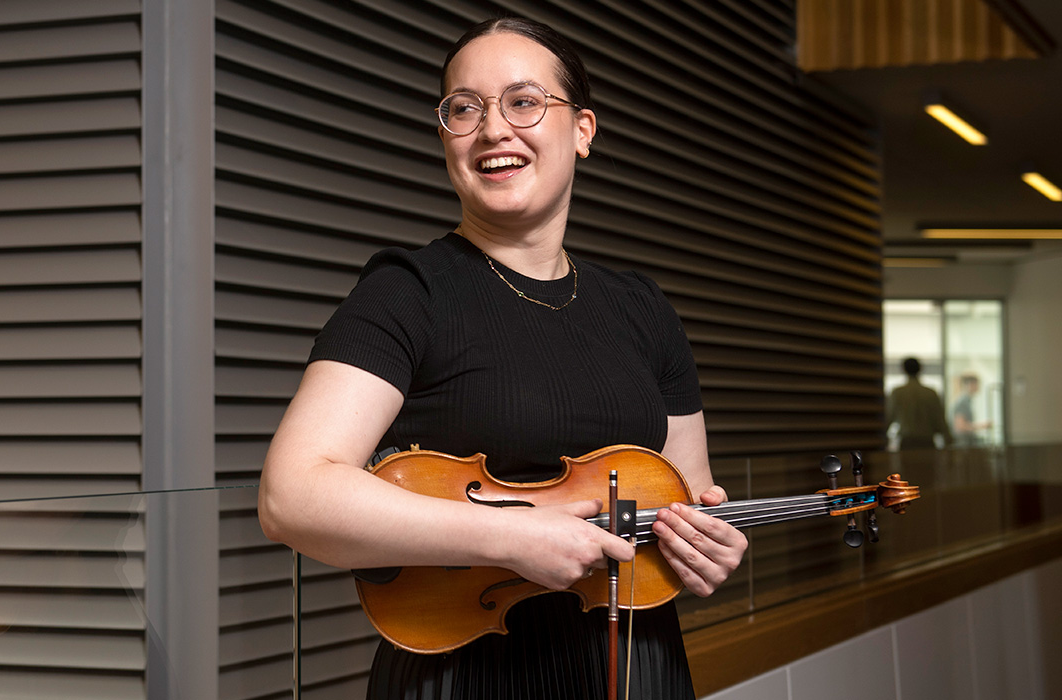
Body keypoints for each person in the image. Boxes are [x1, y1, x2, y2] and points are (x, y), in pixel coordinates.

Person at [258, 17, 746, 699]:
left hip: (634, 664)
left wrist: (703, 549)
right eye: (465, 109)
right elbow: (293, 496)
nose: (492, 129)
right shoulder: (407, 292)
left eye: (523, 101)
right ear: (445, 138)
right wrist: (507, 538)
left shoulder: (642, 308)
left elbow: (684, 496)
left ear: (582, 129)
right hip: (468, 674)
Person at [885, 358, 951, 451]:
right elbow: (940, 420)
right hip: (927, 441)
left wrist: (881, 441)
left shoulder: (898, 393)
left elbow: (888, 418)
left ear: (903, 369)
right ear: (920, 369)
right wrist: (948, 441)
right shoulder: (930, 393)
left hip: (907, 442)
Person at [950, 372, 990, 446]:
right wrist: (981, 426)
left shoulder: (967, 401)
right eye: (976, 384)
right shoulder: (962, 401)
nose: (978, 387)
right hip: (962, 444)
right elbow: (960, 426)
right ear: (970, 385)